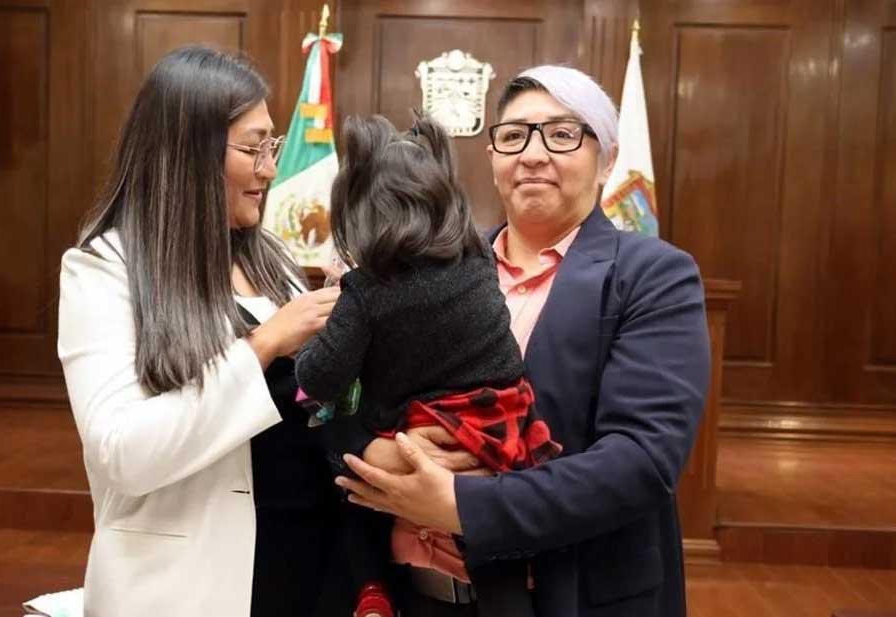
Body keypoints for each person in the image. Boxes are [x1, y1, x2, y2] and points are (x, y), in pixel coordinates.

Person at [335, 64, 712, 617]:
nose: (533, 155)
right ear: (492, 157)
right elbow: (335, 399)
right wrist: (376, 450)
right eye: (513, 136)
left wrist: (463, 506)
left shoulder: (655, 276)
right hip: (409, 596)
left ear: (608, 159)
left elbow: (641, 460)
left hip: (564, 599)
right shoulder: (421, 270)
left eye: (562, 134)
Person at [56, 46, 351, 616]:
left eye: (272, 146)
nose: (270, 169)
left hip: (311, 566)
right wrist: (264, 345)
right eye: (252, 148)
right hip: (191, 583)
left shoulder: (272, 258)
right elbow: (123, 453)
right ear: (188, 152)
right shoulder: (104, 269)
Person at [294, 114, 562, 617]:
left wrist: (311, 338)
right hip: (508, 429)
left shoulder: (366, 292)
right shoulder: (479, 260)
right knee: (498, 561)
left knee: (351, 500)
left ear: (358, 212)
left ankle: (370, 589)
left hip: (427, 437)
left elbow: (318, 379)